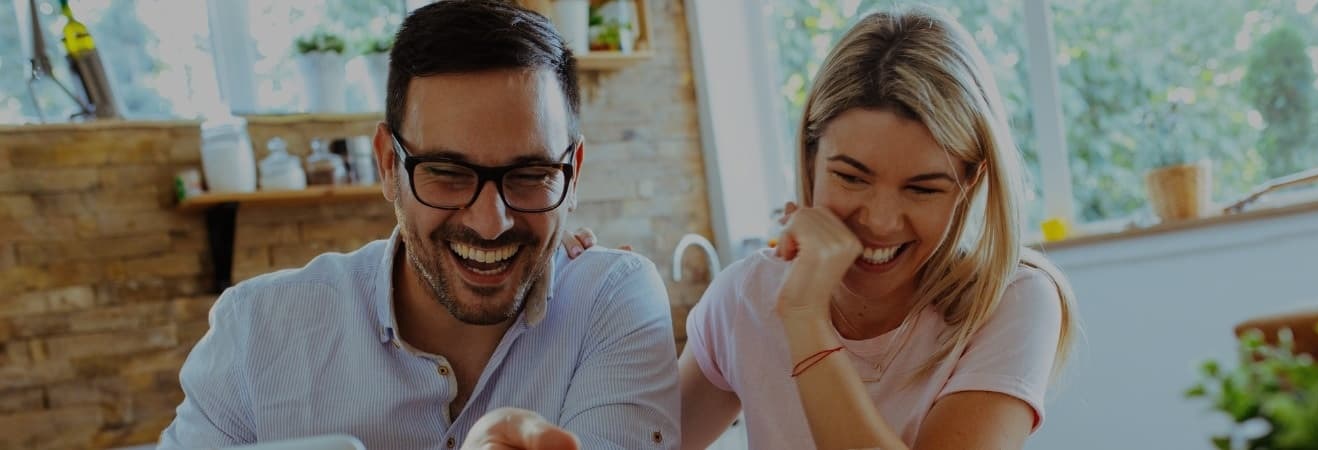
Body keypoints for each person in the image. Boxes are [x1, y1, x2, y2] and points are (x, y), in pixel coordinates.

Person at [157, 2, 678, 449]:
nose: (491, 222)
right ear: (388, 164)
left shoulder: (611, 301)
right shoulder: (255, 334)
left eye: (530, 174)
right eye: (448, 174)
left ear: (573, 171)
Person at [555, 6, 1079, 449]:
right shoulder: (746, 297)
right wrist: (589, 311)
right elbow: (630, 441)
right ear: (809, 158)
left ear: (973, 179)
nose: (879, 220)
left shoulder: (1013, 301)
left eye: (923, 188)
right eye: (852, 177)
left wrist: (805, 319)